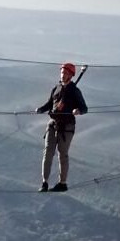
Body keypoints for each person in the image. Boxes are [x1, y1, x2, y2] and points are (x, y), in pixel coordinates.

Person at [35, 62, 87, 192]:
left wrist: (78, 111)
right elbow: (50, 103)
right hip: (53, 124)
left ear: (71, 75)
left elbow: (84, 108)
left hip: (67, 127)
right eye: (62, 72)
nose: (63, 75)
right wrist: (41, 109)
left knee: (62, 154)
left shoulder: (75, 91)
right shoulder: (57, 88)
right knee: (48, 152)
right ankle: (44, 182)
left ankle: (62, 183)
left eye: (66, 73)